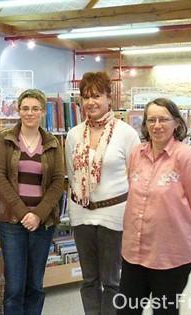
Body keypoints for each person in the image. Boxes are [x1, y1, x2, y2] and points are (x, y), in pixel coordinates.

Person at [117, 98, 191, 314]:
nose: (157, 125)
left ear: (177, 123)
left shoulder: (187, 157)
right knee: (125, 311)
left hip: (170, 255)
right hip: (134, 253)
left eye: (163, 119)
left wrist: (178, 226)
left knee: (165, 311)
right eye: (151, 120)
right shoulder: (136, 154)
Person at [65, 72, 140, 314]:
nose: (90, 102)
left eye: (96, 96)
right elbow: (71, 172)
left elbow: (135, 176)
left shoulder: (126, 133)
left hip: (114, 216)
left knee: (112, 281)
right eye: (85, 97)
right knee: (88, 280)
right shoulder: (73, 134)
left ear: (109, 98)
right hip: (82, 215)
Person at [0, 89, 64, 315]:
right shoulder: (5, 140)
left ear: (43, 112)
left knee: (35, 284)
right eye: (25, 108)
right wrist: (24, 214)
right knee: (14, 286)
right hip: (12, 222)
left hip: (42, 224)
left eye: (34, 108)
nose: (29, 113)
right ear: (18, 110)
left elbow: (58, 182)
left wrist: (38, 214)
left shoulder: (52, 143)